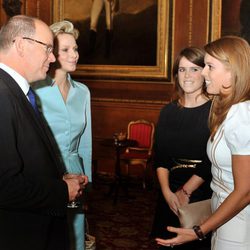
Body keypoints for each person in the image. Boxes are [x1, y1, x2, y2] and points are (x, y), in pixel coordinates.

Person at [155, 36, 250, 250]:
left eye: (208, 66)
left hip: (237, 219)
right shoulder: (227, 110)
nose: (203, 73)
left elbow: (245, 191)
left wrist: (199, 230)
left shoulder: (241, 114)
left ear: (231, 70)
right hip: (222, 214)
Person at [0, 15, 84, 250]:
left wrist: (58, 178)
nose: (52, 57)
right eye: (48, 48)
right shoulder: (2, 94)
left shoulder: (15, 90)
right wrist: (61, 190)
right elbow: (4, 186)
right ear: (20, 45)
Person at [33, 20, 92, 250]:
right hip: (45, 176)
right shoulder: (35, 90)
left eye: (75, 49)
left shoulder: (83, 92)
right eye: (66, 50)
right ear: (51, 54)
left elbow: (85, 143)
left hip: (76, 177)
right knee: (48, 237)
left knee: (75, 238)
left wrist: (89, 183)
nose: (74, 55)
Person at [151, 47, 212, 250]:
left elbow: (211, 159)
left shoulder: (216, 111)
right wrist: (167, 192)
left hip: (202, 192)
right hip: (169, 195)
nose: (187, 76)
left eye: (194, 69)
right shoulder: (168, 111)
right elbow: (160, 158)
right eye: (182, 70)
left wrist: (186, 191)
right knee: (166, 244)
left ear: (205, 73)